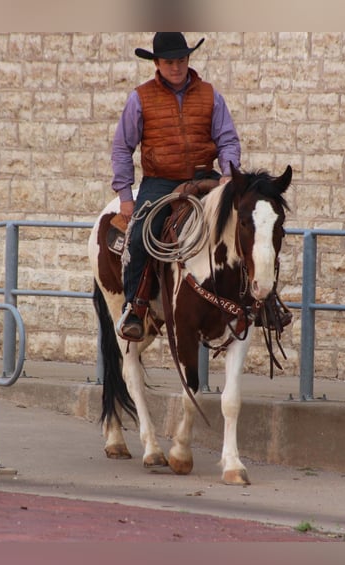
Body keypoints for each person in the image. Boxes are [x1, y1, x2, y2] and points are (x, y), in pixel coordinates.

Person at [111, 32, 242, 341]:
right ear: (157, 63)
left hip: (205, 177)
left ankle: (252, 300)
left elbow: (228, 140)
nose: (176, 67)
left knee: (243, 225)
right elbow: (121, 148)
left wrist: (228, 174)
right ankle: (135, 306)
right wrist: (126, 197)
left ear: (188, 60)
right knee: (142, 234)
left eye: (181, 60)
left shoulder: (211, 95)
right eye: (169, 62)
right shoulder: (139, 98)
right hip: (160, 182)